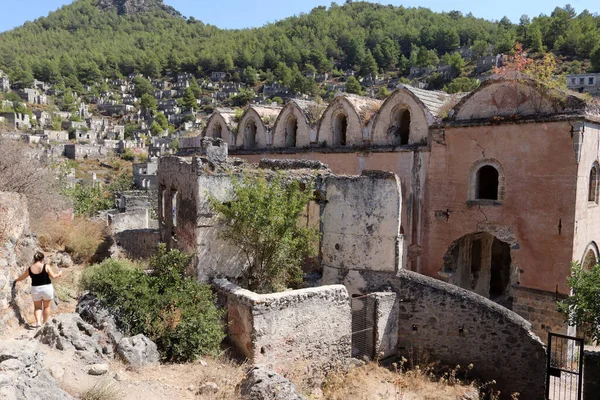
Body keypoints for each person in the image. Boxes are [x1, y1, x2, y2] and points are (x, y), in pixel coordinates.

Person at [13, 251, 62, 327]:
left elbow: (22, 277)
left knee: (37, 307)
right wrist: (59, 274)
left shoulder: (29, 269)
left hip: (35, 289)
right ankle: (44, 324)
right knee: (46, 306)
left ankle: (38, 322)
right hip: (47, 288)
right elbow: (53, 276)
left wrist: (16, 280)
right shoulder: (46, 266)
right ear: (42, 259)